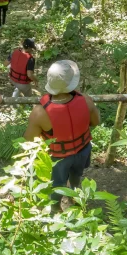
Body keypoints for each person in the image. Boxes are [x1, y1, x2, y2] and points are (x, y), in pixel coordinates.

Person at [23, 60, 100, 204]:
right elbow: (95, 122)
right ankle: (76, 196)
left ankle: (55, 207)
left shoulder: (40, 112)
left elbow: (28, 140)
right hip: (82, 150)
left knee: (57, 184)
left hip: (58, 157)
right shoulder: (86, 101)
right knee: (76, 175)